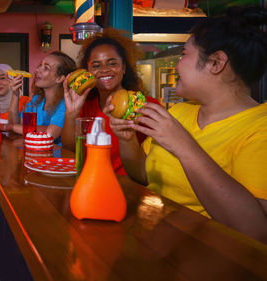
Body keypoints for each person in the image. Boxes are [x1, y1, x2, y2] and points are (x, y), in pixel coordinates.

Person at [108, 6, 267, 243]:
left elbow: (255, 231)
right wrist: (127, 138)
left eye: (184, 54)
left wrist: (182, 145)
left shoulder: (260, 128)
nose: (177, 64)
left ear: (216, 63)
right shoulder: (180, 112)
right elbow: (141, 174)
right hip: (154, 242)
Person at [61, 28, 159, 174]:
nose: (104, 69)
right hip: (91, 183)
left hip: (129, 188)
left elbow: (154, 165)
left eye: (112, 63)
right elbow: (70, 148)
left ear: (124, 67)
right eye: (96, 65)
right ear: (87, 72)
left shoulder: (146, 106)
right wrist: (71, 113)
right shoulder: (85, 107)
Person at [7, 51, 76, 144]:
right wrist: (15, 94)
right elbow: (18, 126)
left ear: (60, 78)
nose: (37, 70)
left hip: (56, 156)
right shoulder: (37, 99)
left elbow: (50, 133)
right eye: (40, 65)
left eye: (46, 68)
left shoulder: (65, 104)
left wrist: (10, 127)